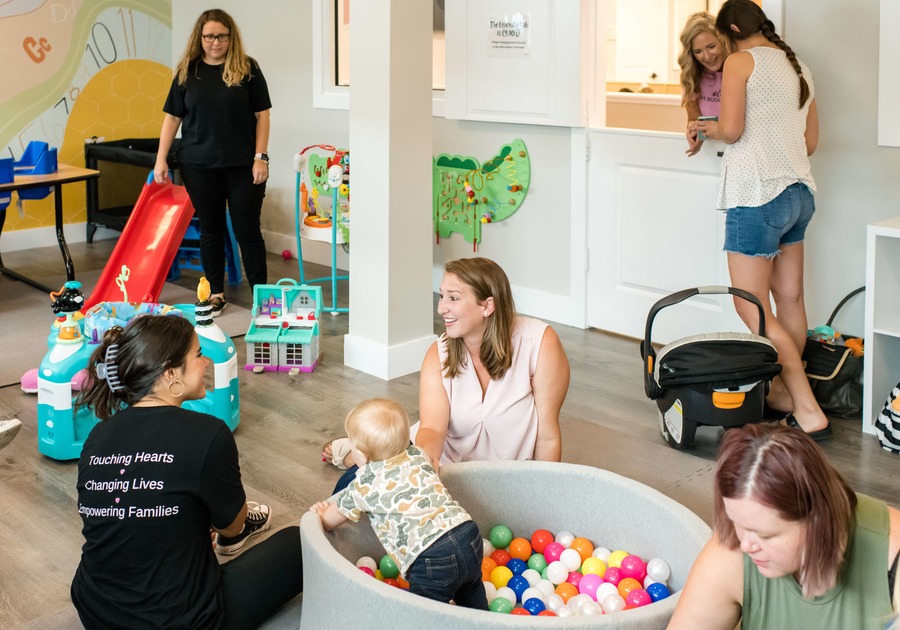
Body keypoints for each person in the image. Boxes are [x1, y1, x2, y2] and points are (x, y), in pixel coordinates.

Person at [71, 314, 302, 630]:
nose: (206, 363)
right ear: (170, 375)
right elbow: (233, 529)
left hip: (95, 611)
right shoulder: (208, 433)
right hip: (183, 621)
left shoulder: (98, 435)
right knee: (300, 541)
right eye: (197, 355)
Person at [695, 0, 829, 439]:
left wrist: (703, 126)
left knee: (749, 304)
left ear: (733, 28)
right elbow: (809, 143)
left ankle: (805, 406)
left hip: (756, 196)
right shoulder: (800, 67)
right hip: (798, 195)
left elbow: (731, 130)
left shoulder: (741, 62)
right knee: (788, 300)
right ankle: (785, 396)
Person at [323, 257, 570, 492]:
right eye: (442, 296)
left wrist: (546, 495)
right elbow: (431, 428)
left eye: (453, 298)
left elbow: (547, 435)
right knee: (353, 486)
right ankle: (352, 453)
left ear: (487, 306)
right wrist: (425, 463)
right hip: (445, 465)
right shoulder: (438, 354)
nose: (441, 308)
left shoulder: (539, 343)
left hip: (511, 477)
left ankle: (357, 451)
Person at [669, 423, 899, 629]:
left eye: (765, 535)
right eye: (738, 523)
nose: (746, 545)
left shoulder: (892, 557)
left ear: (816, 520)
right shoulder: (731, 554)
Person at [311, 399, 488, 610]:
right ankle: (482, 618)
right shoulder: (418, 454)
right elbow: (434, 464)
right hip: (468, 534)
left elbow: (330, 521)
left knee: (426, 612)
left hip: (430, 555)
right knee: (471, 588)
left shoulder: (364, 486)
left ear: (362, 456)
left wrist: (322, 513)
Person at [154, 9, 271, 317]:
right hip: (198, 165)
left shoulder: (248, 69)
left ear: (230, 37)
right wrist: (160, 159)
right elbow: (172, 118)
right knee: (211, 229)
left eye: (221, 36)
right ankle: (215, 294)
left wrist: (261, 158)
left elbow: (263, 116)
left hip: (244, 165)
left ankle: (263, 297)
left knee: (248, 230)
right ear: (200, 38)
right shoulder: (187, 71)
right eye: (209, 36)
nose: (215, 42)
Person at [679, 11, 729, 156]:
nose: (707, 56)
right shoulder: (691, 76)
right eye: (698, 51)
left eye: (711, 46)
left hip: (742, 152)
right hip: (712, 153)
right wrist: (694, 129)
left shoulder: (739, 70)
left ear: (723, 41)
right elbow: (694, 118)